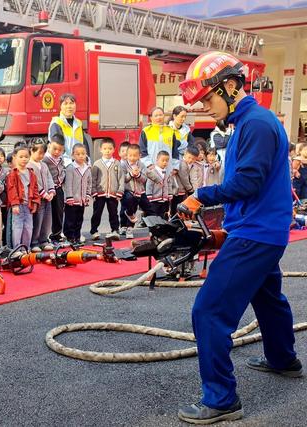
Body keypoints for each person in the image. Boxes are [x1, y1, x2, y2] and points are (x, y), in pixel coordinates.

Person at [176, 51, 301, 425]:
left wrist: (202, 197)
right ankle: (283, 359)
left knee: (209, 311)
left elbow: (248, 182)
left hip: (256, 233)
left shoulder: (257, 124)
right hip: (261, 229)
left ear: (230, 86)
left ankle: (221, 398)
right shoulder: (250, 122)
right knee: (268, 298)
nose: (206, 109)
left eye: (208, 99)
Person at [6, 146, 40, 250]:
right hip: (18, 205)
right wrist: (15, 204)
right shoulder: (13, 174)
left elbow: (35, 188)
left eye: (26, 157)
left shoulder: (31, 173)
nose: (24, 159)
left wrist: (35, 202)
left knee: (28, 227)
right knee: (17, 227)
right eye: (21, 157)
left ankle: (26, 248)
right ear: (15, 157)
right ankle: (16, 249)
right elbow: (11, 190)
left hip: (28, 205)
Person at [90, 139, 123, 240]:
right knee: (97, 212)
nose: (107, 151)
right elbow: (93, 179)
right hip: (100, 194)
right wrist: (93, 191)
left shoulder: (117, 163)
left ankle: (115, 230)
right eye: (105, 149)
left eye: (110, 148)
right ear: (101, 150)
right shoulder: (97, 164)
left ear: (114, 149)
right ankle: (94, 231)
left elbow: (121, 178)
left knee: (113, 213)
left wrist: (120, 191)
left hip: (113, 194)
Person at [120, 144, 155, 239]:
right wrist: (131, 174)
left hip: (140, 192)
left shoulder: (142, 165)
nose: (132, 158)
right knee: (130, 206)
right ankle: (129, 228)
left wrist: (138, 174)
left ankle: (155, 230)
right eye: (130, 155)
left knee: (149, 209)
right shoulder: (123, 165)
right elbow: (123, 179)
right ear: (126, 155)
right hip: (128, 191)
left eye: (135, 155)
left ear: (139, 156)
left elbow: (144, 179)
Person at [63, 143, 92, 244]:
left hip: (82, 200)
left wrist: (87, 195)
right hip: (72, 200)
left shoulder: (87, 168)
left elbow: (89, 183)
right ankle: (69, 237)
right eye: (78, 154)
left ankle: (77, 237)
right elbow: (68, 184)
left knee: (79, 220)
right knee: (70, 220)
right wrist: (69, 197)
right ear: (72, 155)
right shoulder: (70, 168)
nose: (81, 156)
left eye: (83, 153)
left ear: (86, 155)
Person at [28, 142, 55, 252]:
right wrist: (43, 193)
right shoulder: (29, 166)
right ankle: (34, 242)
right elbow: (33, 183)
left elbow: (49, 178)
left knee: (47, 220)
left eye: (43, 153)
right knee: (37, 220)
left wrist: (51, 191)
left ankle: (44, 240)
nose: (41, 156)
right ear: (32, 151)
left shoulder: (44, 165)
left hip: (47, 198)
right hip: (37, 199)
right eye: (39, 153)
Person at [140, 106, 181, 172]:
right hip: (151, 168)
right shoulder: (146, 131)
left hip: (167, 168)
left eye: (160, 115)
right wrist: (149, 165)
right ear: (151, 118)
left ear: (164, 116)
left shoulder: (170, 131)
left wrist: (175, 167)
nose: (158, 117)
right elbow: (142, 151)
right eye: (156, 116)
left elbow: (175, 151)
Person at [43, 134, 66, 243]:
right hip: (48, 190)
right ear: (49, 146)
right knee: (47, 213)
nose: (57, 152)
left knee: (59, 211)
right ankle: (44, 235)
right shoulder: (44, 159)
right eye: (54, 149)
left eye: (60, 150)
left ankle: (56, 234)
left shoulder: (61, 159)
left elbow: (62, 170)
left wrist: (62, 179)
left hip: (59, 188)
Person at [48, 93, 83, 164]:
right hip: (62, 164)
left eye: (71, 103)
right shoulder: (57, 123)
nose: (69, 106)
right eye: (65, 103)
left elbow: (82, 144)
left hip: (77, 163)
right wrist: (68, 163)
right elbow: (57, 148)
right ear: (60, 106)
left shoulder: (78, 123)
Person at [146, 151, 174, 218]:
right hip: (154, 199)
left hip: (164, 199)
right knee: (154, 215)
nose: (165, 162)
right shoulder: (152, 172)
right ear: (157, 160)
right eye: (163, 160)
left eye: (167, 161)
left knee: (163, 215)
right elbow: (149, 184)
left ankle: (162, 227)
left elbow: (169, 183)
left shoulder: (167, 172)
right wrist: (149, 195)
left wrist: (170, 193)